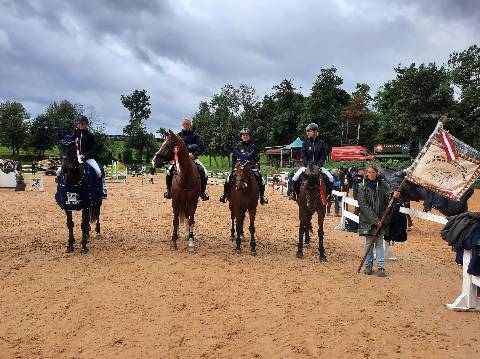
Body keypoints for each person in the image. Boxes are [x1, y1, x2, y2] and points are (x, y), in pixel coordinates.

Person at [357, 165, 400, 277]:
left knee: (379, 244)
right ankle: (368, 265)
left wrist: (393, 195)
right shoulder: (362, 186)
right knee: (369, 244)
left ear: (377, 173)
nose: (370, 174)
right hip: (368, 220)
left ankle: (381, 267)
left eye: (373, 172)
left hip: (382, 219)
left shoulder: (383, 185)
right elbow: (363, 205)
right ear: (366, 173)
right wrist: (375, 220)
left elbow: (388, 197)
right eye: (369, 172)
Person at [219, 128, 268, 205]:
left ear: (249, 136)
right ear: (241, 136)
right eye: (244, 135)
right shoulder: (237, 146)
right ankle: (225, 195)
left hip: (250, 168)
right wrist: (233, 169)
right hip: (239, 168)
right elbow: (234, 159)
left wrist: (253, 164)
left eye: (247, 135)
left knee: (261, 179)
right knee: (229, 179)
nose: (245, 136)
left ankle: (262, 197)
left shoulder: (253, 146)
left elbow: (256, 158)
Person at [164, 117, 209, 201]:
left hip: (193, 159)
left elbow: (201, 147)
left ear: (190, 125)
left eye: (187, 124)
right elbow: (172, 147)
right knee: (169, 171)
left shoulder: (195, 136)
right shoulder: (178, 136)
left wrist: (194, 154)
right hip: (180, 160)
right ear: (182, 124)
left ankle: (202, 192)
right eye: (184, 124)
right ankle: (168, 190)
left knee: (204, 172)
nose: (185, 125)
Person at [287, 123, 332, 200]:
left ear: (315, 132)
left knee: (331, 178)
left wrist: (318, 165)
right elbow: (304, 156)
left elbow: (323, 156)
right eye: (307, 131)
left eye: (310, 131)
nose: (308, 133)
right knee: (295, 178)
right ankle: (293, 193)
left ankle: (329, 195)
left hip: (319, 167)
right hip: (307, 167)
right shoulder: (305, 143)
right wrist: (308, 165)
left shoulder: (322, 144)